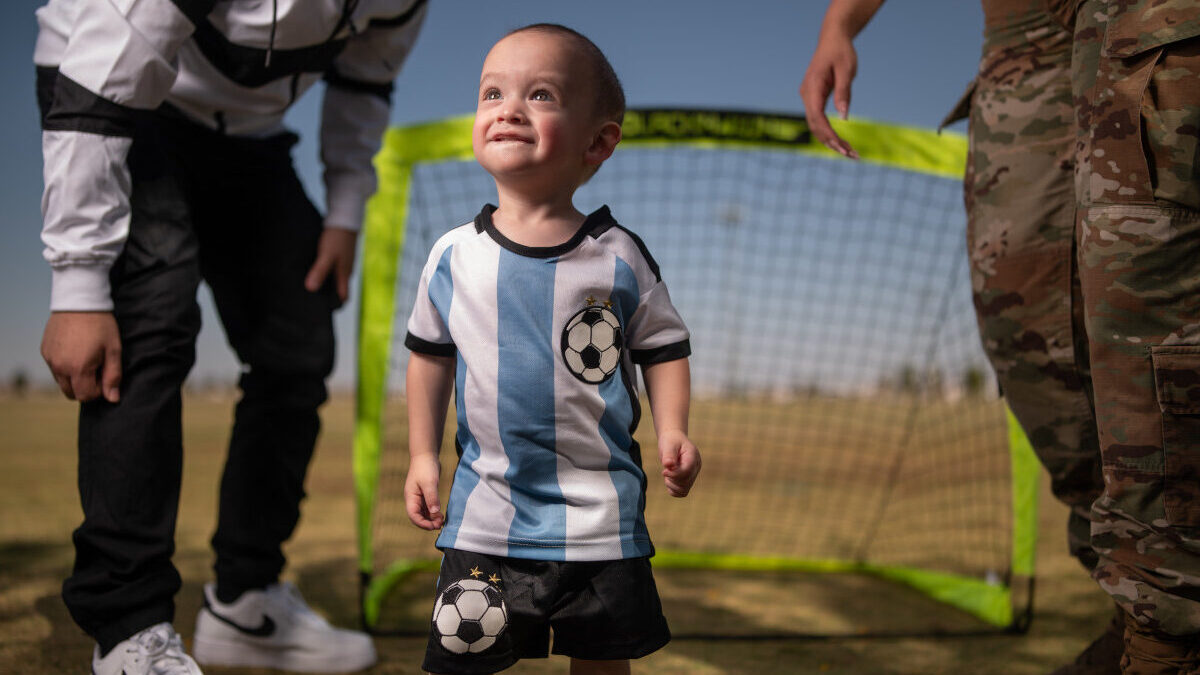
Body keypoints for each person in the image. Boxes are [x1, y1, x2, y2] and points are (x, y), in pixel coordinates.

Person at [801, 1, 1200, 673]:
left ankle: (1173, 635)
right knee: (1026, 321)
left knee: (1148, 283)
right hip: (1021, 37)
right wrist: (838, 26)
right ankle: (1139, 606)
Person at [34, 0, 428, 673]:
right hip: (112, 91)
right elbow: (104, 77)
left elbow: (364, 82)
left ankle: (245, 604)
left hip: (245, 133)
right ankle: (129, 625)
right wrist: (78, 280)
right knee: (152, 319)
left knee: (298, 338)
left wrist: (343, 214)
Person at [402, 23, 701, 675]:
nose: (509, 108)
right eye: (492, 93)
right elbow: (428, 356)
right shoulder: (452, 255)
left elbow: (664, 346)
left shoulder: (618, 256)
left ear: (599, 142)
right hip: (485, 516)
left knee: (601, 662)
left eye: (540, 94)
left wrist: (675, 428)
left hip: (601, 521)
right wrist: (422, 453)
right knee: (464, 663)